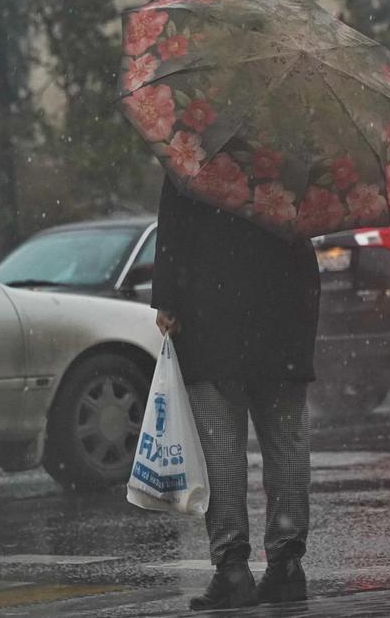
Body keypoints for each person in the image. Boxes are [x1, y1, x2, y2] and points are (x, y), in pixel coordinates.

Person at [151, 174, 321, 610]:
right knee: (287, 439)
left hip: (212, 303)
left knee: (221, 441)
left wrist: (168, 299)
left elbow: (174, 226)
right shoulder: (296, 139)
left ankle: (232, 569)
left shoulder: (193, 138)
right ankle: (286, 564)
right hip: (287, 300)